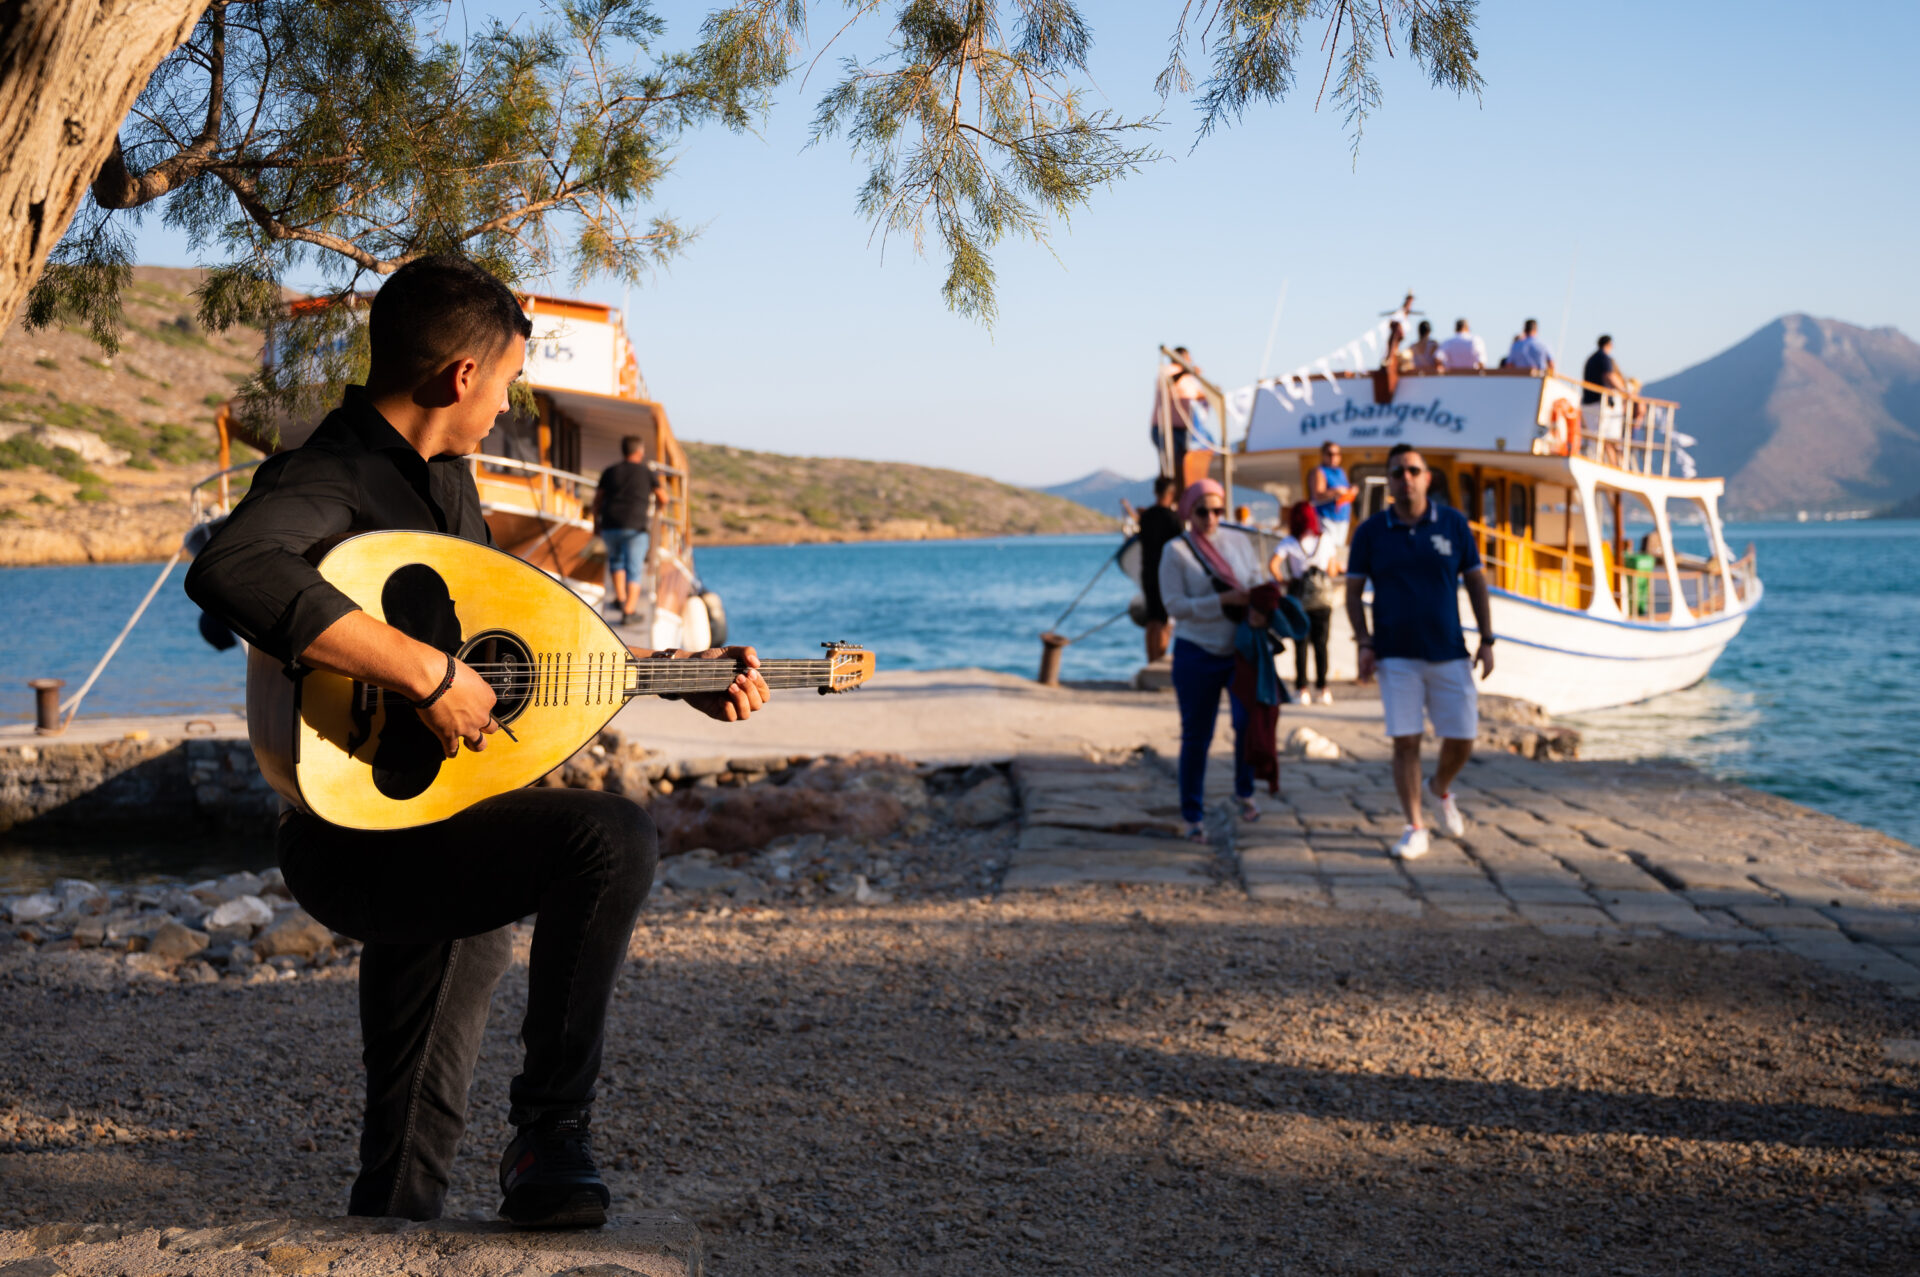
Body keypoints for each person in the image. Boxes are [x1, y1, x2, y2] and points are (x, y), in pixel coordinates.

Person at [184, 254, 771, 1228]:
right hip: (345, 834)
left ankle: (401, 1217)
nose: (506, 408)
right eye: (505, 384)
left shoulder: (447, 485)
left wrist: (674, 679)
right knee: (608, 835)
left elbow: (514, 656)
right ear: (461, 377)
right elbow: (236, 567)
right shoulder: (332, 468)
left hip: (431, 809)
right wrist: (422, 673)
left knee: (407, 1157)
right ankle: (551, 1132)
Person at [1343, 443, 1495, 861]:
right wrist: (1364, 641)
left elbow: (1477, 583)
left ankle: (1439, 788)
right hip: (1396, 654)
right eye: (1397, 472)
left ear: (1428, 478)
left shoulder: (1453, 525)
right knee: (1405, 741)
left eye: (1412, 470)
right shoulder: (1370, 532)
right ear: (1388, 482)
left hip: (1449, 650)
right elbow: (1353, 593)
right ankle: (1415, 826)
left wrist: (1487, 639)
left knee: (1463, 737)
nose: (1405, 478)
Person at [1159, 479, 1269, 841]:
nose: (1210, 518)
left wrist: (1258, 609)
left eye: (1217, 510)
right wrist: (1221, 603)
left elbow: (1256, 582)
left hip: (1238, 648)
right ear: (1188, 511)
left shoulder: (1238, 541)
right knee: (1197, 736)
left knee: (1246, 723)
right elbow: (1174, 607)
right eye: (1202, 511)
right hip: (1195, 651)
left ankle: (1244, 790)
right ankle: (1193, 814)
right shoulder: (1175, 552)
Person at [1269, 500, 1340, 704]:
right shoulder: (1325, 540)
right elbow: (1333, 570)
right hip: (1322, 598)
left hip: (1298, 598)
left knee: (1301, 644)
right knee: (1321, 644)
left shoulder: (1289, 542)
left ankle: (1302, 689)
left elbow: (1273, 565)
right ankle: (1323, 689)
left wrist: (1284, 581)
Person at [593, 435, 665, 623]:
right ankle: (629, 611)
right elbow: (663, 497)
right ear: (640, 452)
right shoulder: (647, 472)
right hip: (635, 527)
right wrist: (659, 508)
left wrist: (596, 523)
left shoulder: (610, 471)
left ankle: (621, 598)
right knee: (634, 568)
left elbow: (597, 500)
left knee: (616, 563)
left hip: (610, 524)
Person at [1135, 476, 1182, 662]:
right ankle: (1159, 659)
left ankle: (1150, 660)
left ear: (1155, 492)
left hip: (1147, 573)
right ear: (1171, 494)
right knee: (1164, 622)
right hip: (1165, 574)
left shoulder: (1145, 517)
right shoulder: (1172, 518)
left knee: (1152, 620)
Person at [1582, 335, 1629, 465]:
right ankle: (1605, 463)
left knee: (1597, 436)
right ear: (1609, 345)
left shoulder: (1591, 359)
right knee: (1604, 437)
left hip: (1588, 401)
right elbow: (1609, 376)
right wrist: (1625, 392)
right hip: (1599, 402)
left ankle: (1600, 461)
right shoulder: (1604, 358)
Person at [1308, 440, 1358, 541]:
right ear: (1323, 455)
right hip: (1326, 518)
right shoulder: (1319, 471)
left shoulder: (1340, 471)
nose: (1333, 457)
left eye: (1336, 454)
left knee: (1338, 550)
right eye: (1330, 454)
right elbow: (1317, 495)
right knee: (1328, 550)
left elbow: (1346, 488)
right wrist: (1336, 491)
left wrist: (1352, 490)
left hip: (1342, 518)